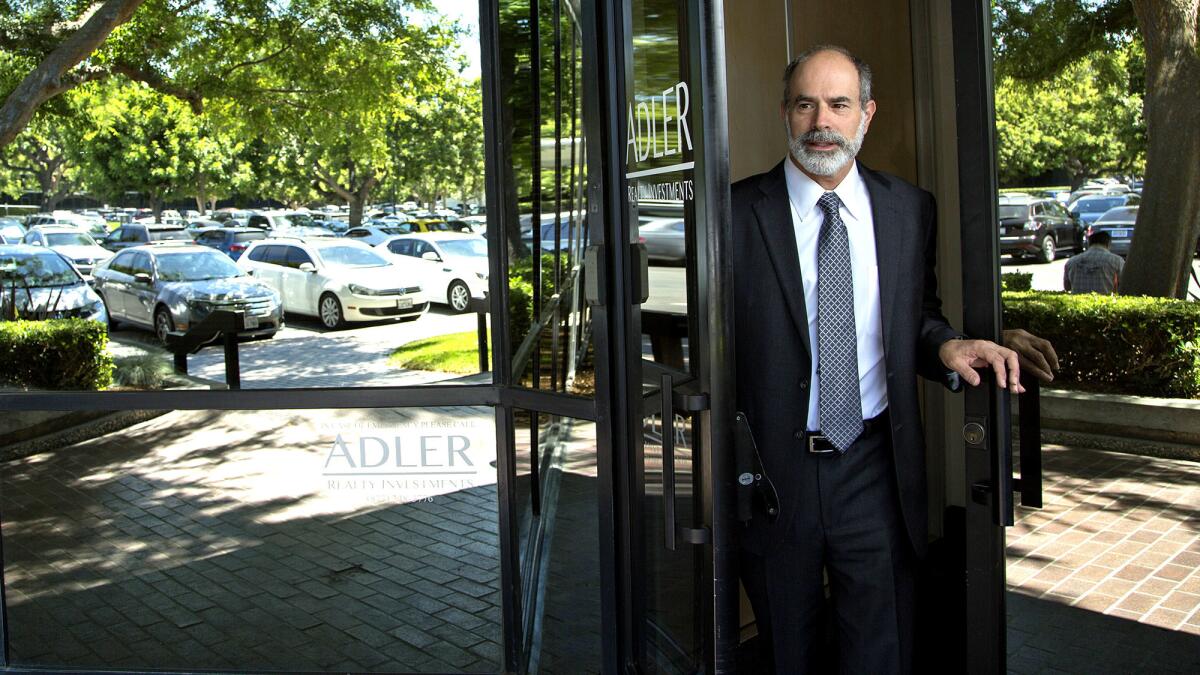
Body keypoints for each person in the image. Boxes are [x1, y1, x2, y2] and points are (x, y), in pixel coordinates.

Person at [732, 45, 1025, 674]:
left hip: (874, 468)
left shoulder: (907, 208)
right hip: (774, 477)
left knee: (881, 648)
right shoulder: (732, 215)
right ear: (785, 113)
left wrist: (945, 345)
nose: (822, 122)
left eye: (839, 104)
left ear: (867, 114)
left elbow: (917, 313)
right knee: (786, 651)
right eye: (806, 104)